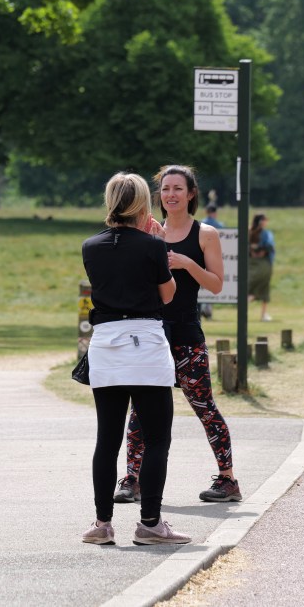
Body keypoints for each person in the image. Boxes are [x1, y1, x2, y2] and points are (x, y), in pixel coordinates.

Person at [116, 165, 242, 506]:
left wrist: (188, 263)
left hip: (186, 333)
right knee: (139, 409)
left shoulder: (206, 234)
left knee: (204, 406)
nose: (170, 194)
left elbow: (216, 285)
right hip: (152, 332)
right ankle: (131, 479)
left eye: (177, 188)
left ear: (190, 194)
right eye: (165, 189)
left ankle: (228, 480)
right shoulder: (146, 230)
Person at [81, 171, 189, 546]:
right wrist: (157, 246)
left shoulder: (90, 246)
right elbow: (167, 295)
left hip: (106, 345)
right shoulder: (151, 246)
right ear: (143, 204)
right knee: (157, 438)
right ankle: (150, 523)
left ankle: (101, 523)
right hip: (144, 342)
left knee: (106, 439)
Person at [199, 204, 224, 318]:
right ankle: (208, 309)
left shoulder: (201, 224)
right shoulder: (219, 225)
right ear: (215, 213)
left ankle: (204, 308)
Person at [249, 213, 275, 322]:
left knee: (250, 289)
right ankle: (263, 315)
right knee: (263, 290)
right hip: (263, 264)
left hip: (250, 263)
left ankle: (243, 311)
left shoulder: (249, 232)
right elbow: (269, 246)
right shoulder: (266, 234)